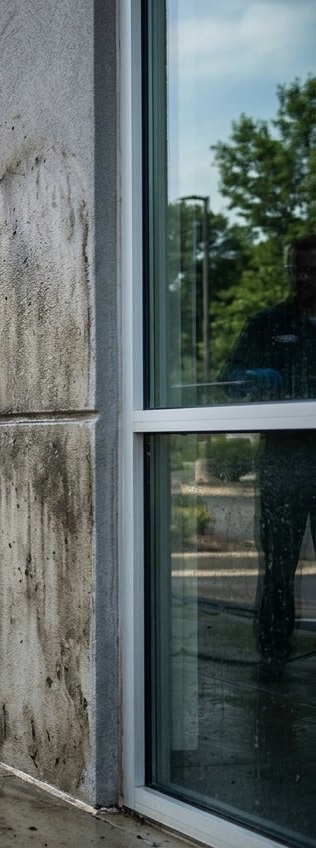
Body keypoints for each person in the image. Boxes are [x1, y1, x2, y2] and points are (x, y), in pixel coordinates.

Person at [220, 233, 316, 682]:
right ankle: (273, 655)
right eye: (297, 269)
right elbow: (227, 381)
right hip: (283, 463)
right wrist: (253, 380)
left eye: (313, 269)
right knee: (278, 564)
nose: (305, 278)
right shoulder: (268, 323)